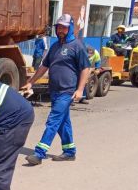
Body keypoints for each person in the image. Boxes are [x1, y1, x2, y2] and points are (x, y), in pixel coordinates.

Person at [22, 13, 90, 165]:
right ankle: (69, 151)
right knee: (63, 122)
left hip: (67, 91)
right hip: (54, 90)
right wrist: (31, 82)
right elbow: (44, 66)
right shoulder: (55, 46)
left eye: (64, 28)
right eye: (58, 27)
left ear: (70, 28)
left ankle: (39, 153)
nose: (60, 30)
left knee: (53, 121)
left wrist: (80, 90)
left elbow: (86, 69)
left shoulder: (77, 46)